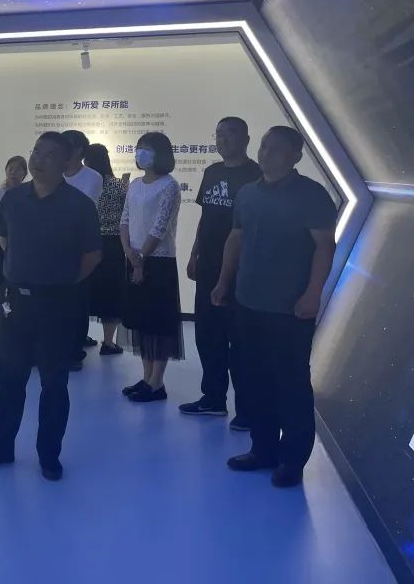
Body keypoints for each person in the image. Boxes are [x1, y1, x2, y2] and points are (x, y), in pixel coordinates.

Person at [0, 132, 102, 481]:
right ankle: (0, 447)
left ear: (66, 163)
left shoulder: (79, 205)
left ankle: (49, 455)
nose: (39, 160)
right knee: (9, 379)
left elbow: (92, 256)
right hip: (15, 303)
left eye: (49, 155)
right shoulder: (13, 199)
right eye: (36, 152)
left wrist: (63, 281)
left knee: (54, 383)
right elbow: (3, 237)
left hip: (57, 305)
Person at [213, 126, 336, 488]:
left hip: (289, 309)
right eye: (264, 146)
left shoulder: (311, 195)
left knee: (291, 383)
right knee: (254, 381)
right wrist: (223, 281)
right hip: (248, 303)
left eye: (276, 149)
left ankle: (292, 460)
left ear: (295, 156)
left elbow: (324, 247)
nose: (266, 153)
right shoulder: (248, 193)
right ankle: (263, 449)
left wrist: (313, 294)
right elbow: (236, 238)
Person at [180, 118, 261, 428]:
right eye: (218, 135)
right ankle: (213, 399)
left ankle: (248, 411)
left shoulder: (255, 175)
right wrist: (194, 253)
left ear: (246, 139)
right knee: (207, 336)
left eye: (230, 134)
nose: (223, 140)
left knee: (240, 341)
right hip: (208, 266)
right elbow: (206, 217)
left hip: (242, 270)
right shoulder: (212, 171)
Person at [120, 132, 184, 402]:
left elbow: (160, 226)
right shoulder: (135, 184)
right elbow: (124, 219)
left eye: (146, 148)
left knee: (158, 322)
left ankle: (157, 382)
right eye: (139, 148)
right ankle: (146, 378)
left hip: (158, 261)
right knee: (142, 321)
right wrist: (129, 253)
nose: (140, 153)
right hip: (134, 258)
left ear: (161, 153)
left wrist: (140, 259)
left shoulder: (169, 185)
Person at [62, 130, 104, 366]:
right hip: (50, 244)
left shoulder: (92, 177)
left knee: (77, 299)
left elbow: (82, 208)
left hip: (78, 245)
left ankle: (74, 350)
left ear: (78, 149)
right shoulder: (54, 172)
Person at [83, 143, 128, 355]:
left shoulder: (87, 185)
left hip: (88, 242)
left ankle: (80, 334)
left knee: (85, 289)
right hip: (113, 244)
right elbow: (126, 215)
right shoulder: (119, 186)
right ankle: (108, 343)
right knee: (111, 292)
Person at [0, 155, 28, 347]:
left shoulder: (27, 193)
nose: (13, 172)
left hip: (20, 249)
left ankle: (13, 328)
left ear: (25, 173)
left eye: (18, 169)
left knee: (17, 288)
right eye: (10, 168)